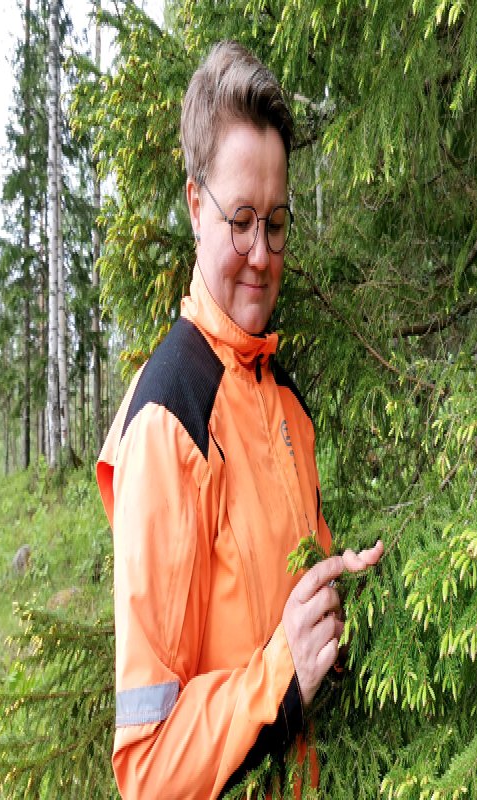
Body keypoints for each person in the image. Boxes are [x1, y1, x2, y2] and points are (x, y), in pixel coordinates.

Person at [95, 40, 384, 800]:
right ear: (197, 206)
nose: (261, 254)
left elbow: (281, 613)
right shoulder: (170, 421)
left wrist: (344, 594)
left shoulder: (283, 402)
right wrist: (283, 669)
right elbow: (148, 770)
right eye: (242, 219)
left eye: (279, 223)